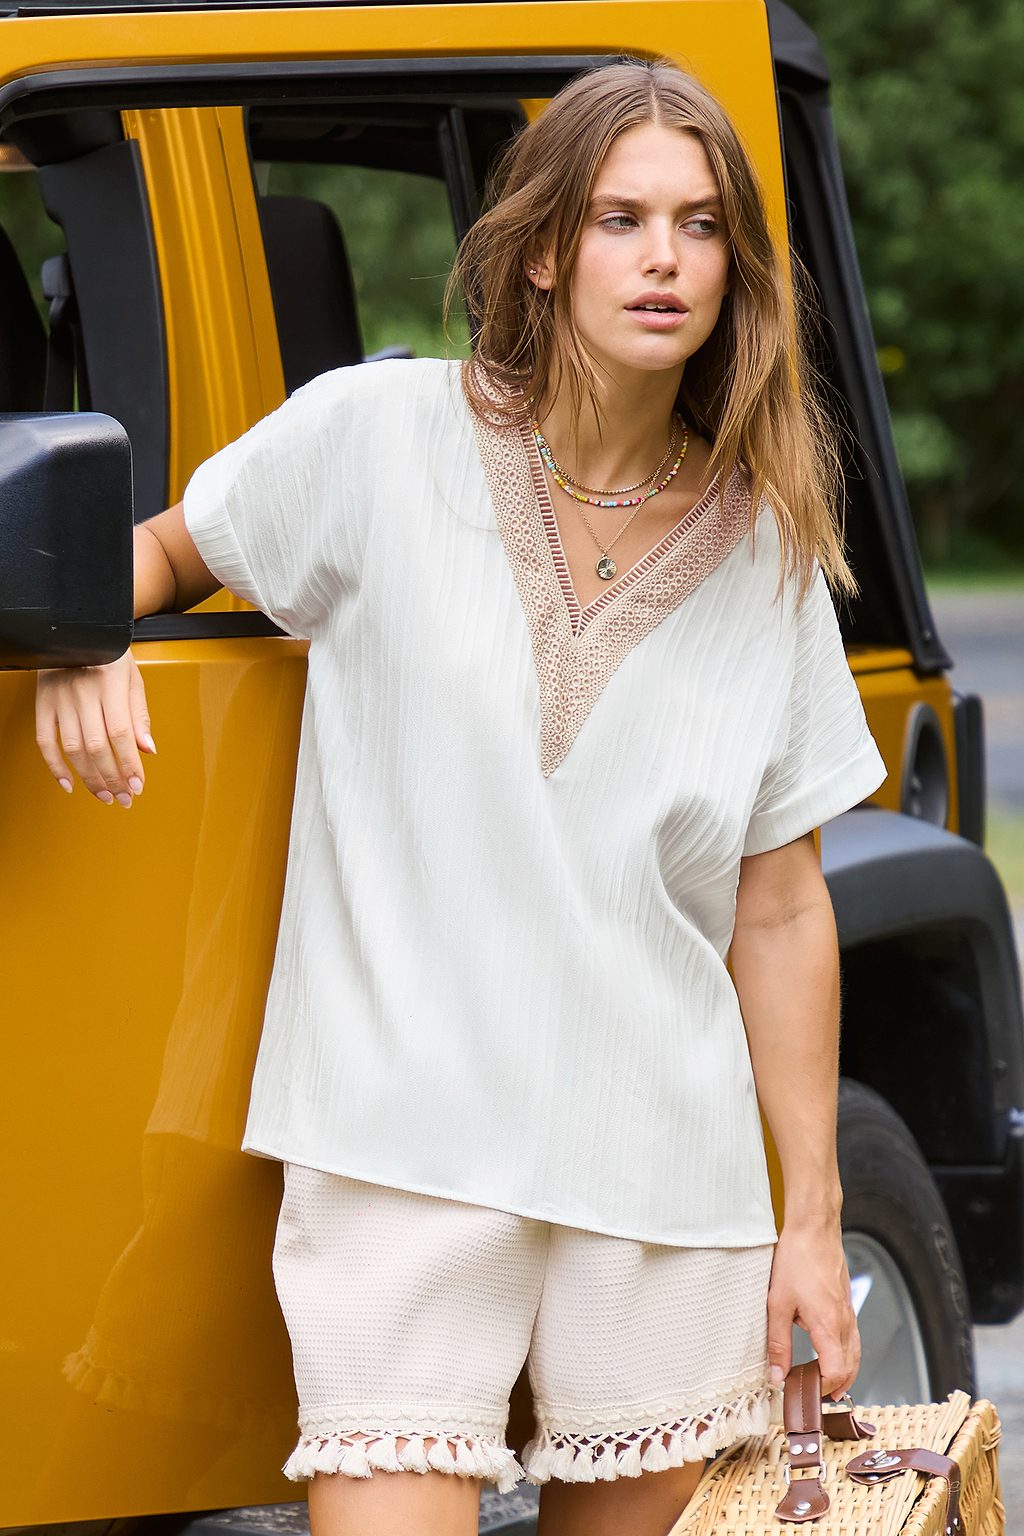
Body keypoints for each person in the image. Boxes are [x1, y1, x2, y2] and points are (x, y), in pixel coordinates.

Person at [35, 59, 886, 1536]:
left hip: (658, 1184)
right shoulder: (376, 436)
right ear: (547, 249)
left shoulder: (766, 556)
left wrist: (807, 1223)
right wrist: (76, 633)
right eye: (622, 217)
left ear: (736, 268)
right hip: (397, 1150)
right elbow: (170, 547)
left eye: (698, 224)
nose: (665, 258)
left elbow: (782, 898)